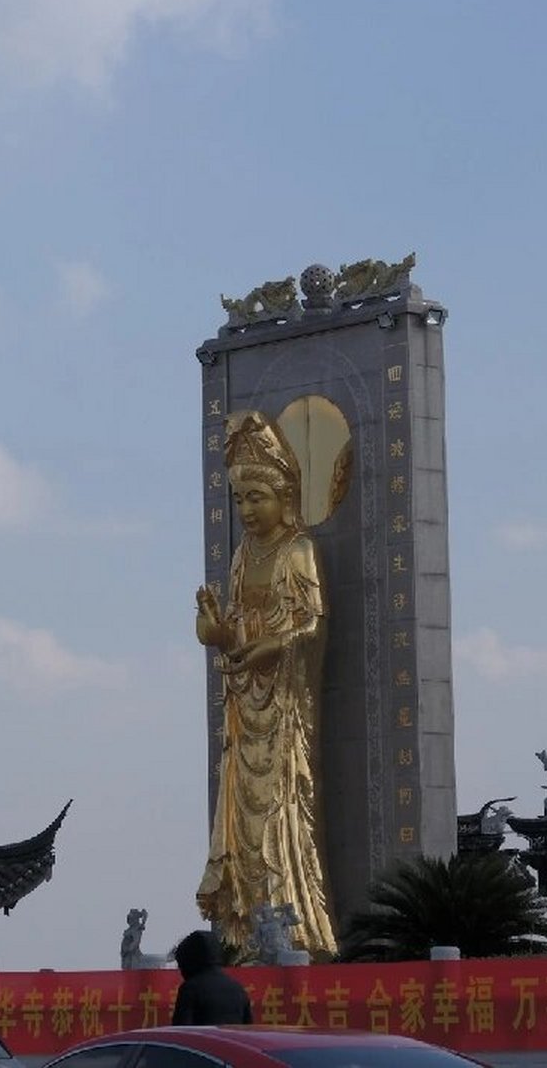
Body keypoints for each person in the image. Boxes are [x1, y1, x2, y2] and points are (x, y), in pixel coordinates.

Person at [193, 410, 337, 958]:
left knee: (279, 808)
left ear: (285, 496)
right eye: (241, 500)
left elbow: (311, 620)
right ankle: (247, 931)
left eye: (259, 497)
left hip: (282, 704)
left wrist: (274, 644)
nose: (248, 510)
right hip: (244, 704)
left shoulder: (297, 550)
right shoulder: (240, 556)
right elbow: (233, 629)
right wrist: (215, 630)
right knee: (242, 819)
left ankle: (294, 926)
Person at [170, 931, 251, 1026]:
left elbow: (181, 1031)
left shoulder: (190, 989)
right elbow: (248, 1029)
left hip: (201, 1041)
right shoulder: (238, 989)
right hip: (232, 1040)